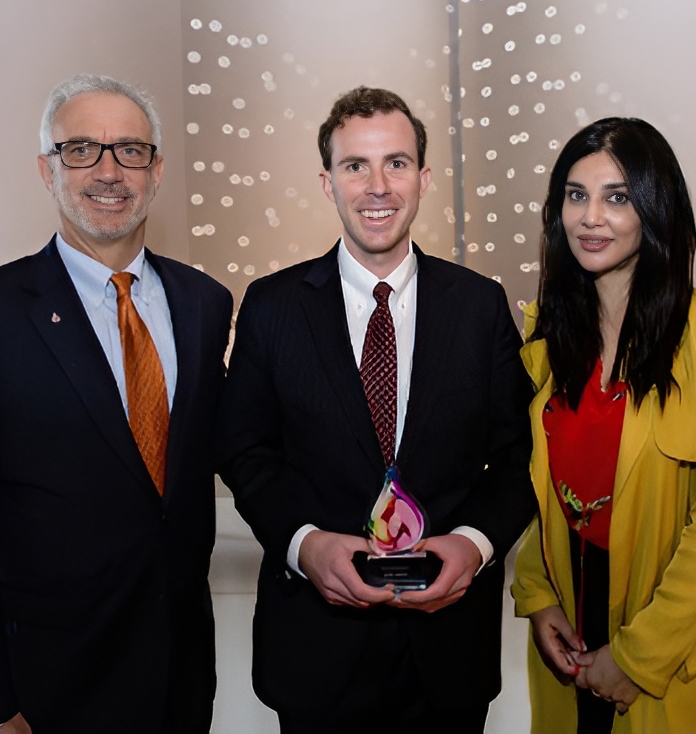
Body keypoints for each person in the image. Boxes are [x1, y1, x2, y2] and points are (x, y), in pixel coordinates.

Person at [0, 74, 232, 734]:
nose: (109, 171)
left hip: (179, 676)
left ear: (157, 169)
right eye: (81, 149)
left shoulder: (204, 305)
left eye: (130, 151)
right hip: (41, 690)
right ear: (46, 170)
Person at [219, 86, 536, 734]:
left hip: (447, 648)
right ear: (327, 182)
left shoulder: (479, 307)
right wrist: (304, 546)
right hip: (317, 648)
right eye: (354, 166)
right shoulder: (273, 307)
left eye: (395, 163)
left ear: (423, 179)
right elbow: (246, 451)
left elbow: (517, 456)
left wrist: (474, 546)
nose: (377, 186)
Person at [511, 117, 696, 733]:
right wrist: (537, 593)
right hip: (572, 613)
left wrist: (639, 655)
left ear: (655, 209)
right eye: (576, 195)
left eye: (617, 197)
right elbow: (541, 490)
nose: (590, 216)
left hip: (672, 626)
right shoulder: (547, 331)